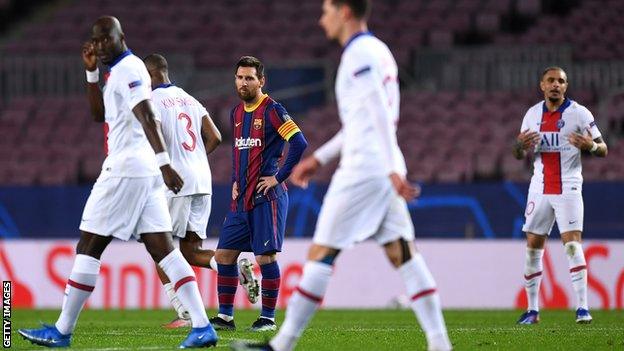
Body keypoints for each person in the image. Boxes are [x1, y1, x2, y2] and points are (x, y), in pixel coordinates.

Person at [231, 1, 452, 350]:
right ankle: (440, 344)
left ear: (345, 11)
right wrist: (319, 157)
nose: (322, 20)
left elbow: (378, 110)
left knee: (321, 253)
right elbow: (363, 120)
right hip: (379, 165)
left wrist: (393, 165)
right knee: (403, 253)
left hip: (365, 169)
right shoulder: (379, 51)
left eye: (327, 11)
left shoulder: (358, 54)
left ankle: (281, 344)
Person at [18, 17, 218, 348]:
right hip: (144, 174)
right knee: (165, 250)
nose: (99, 45)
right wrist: (91, 74)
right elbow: (100, 116)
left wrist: (165, 163)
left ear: (120, 37)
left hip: (126, 170)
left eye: (105, 39)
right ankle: (201, 327)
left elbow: (145, 113)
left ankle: (62, 331)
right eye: (95, 41)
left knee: (88, 246)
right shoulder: (115, 73)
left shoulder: (129, 69)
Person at [143, 53, 260, 329]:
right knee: (192, 251)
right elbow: (216, 136)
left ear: (150, 75)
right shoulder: (188, 98)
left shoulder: (153, 101)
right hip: (201, 181)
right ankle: (235, 269)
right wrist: (194, 157)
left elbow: (155, 135)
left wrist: (168, 164)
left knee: (162, 250)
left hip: (175, 183)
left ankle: (183, 311)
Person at [209, 56, 308, 332]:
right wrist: (234, 181)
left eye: (249, 78)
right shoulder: (236, 113)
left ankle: (267, 318)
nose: (243, 82)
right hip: (242, 199)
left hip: (267, 198)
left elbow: (299, 143)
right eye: (240, 77)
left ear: (261, 81)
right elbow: (238, 152)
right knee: (224, 256)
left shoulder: (273, 110)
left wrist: (278, 178)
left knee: (265, 258)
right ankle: (226, 317)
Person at [513, 67, 607, 325]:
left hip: (568, 185)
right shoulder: (531, 115)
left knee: (573, 245)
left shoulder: (580, 113)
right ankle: (532, 311)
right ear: (542, 85)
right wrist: (520, 146)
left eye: (561, 81)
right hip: (540, 186)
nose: (556, 84)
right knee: (533, 248)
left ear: (566, 86)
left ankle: (583, 308)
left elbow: (603, 149)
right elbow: (518, 153)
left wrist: (591, 146)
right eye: (551, 80)